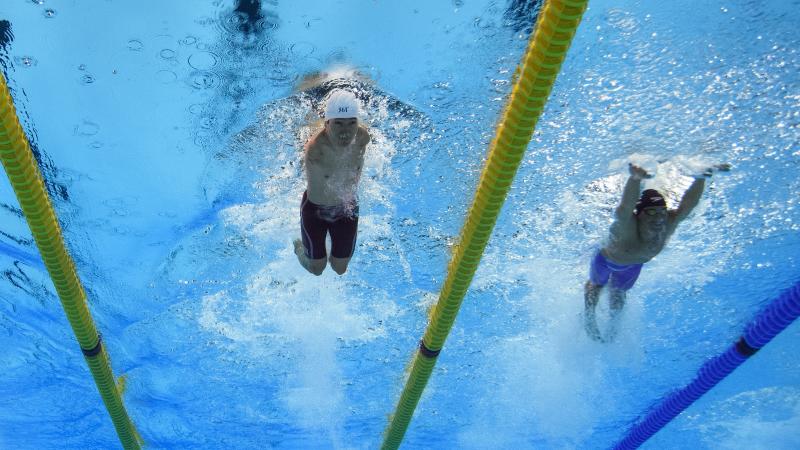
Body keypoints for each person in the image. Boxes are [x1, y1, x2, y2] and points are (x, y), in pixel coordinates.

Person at [584, 162, 728, 342]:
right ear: (640, 215)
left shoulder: (669, 222)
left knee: (619, 294)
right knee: (595, 287)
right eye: (651, 212)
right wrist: (635, 179)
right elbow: (624, 209)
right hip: (606, 261)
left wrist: (700, 178)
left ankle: (613, 327)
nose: (659, 217)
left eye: (662, 212)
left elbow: (687, 205)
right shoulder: (627, 226)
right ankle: (589, 319)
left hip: (633, 267)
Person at [293, 89, 370, 276]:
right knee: (317, 269)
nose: (346, 131)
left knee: (340, 269)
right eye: (338, 124)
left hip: (347, 209)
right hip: (316, 212)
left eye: (352, 123)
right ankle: (298, 248)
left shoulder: (363, 138)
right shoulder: (315, 149)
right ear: (327, 124)